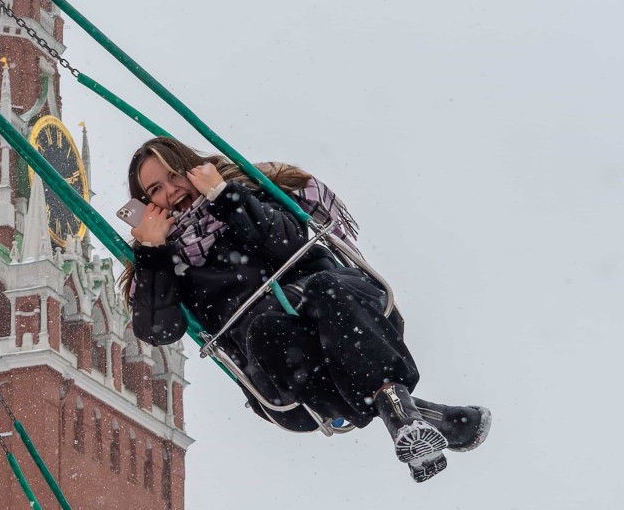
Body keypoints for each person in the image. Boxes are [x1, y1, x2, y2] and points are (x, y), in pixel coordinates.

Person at [122, 137, 489, 483]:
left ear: (190, 167)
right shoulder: (165, 261)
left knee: (322, 286)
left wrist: (223, 195)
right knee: (265, 328)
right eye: (156, 190)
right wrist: (152, 252)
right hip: (283, 371)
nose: (171, 191)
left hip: (344, 312)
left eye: (173, 175)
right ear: (147, 204)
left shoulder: (246, 191)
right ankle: (402, 410)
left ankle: (400, 410)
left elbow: (286, 242)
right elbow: (159, 331)